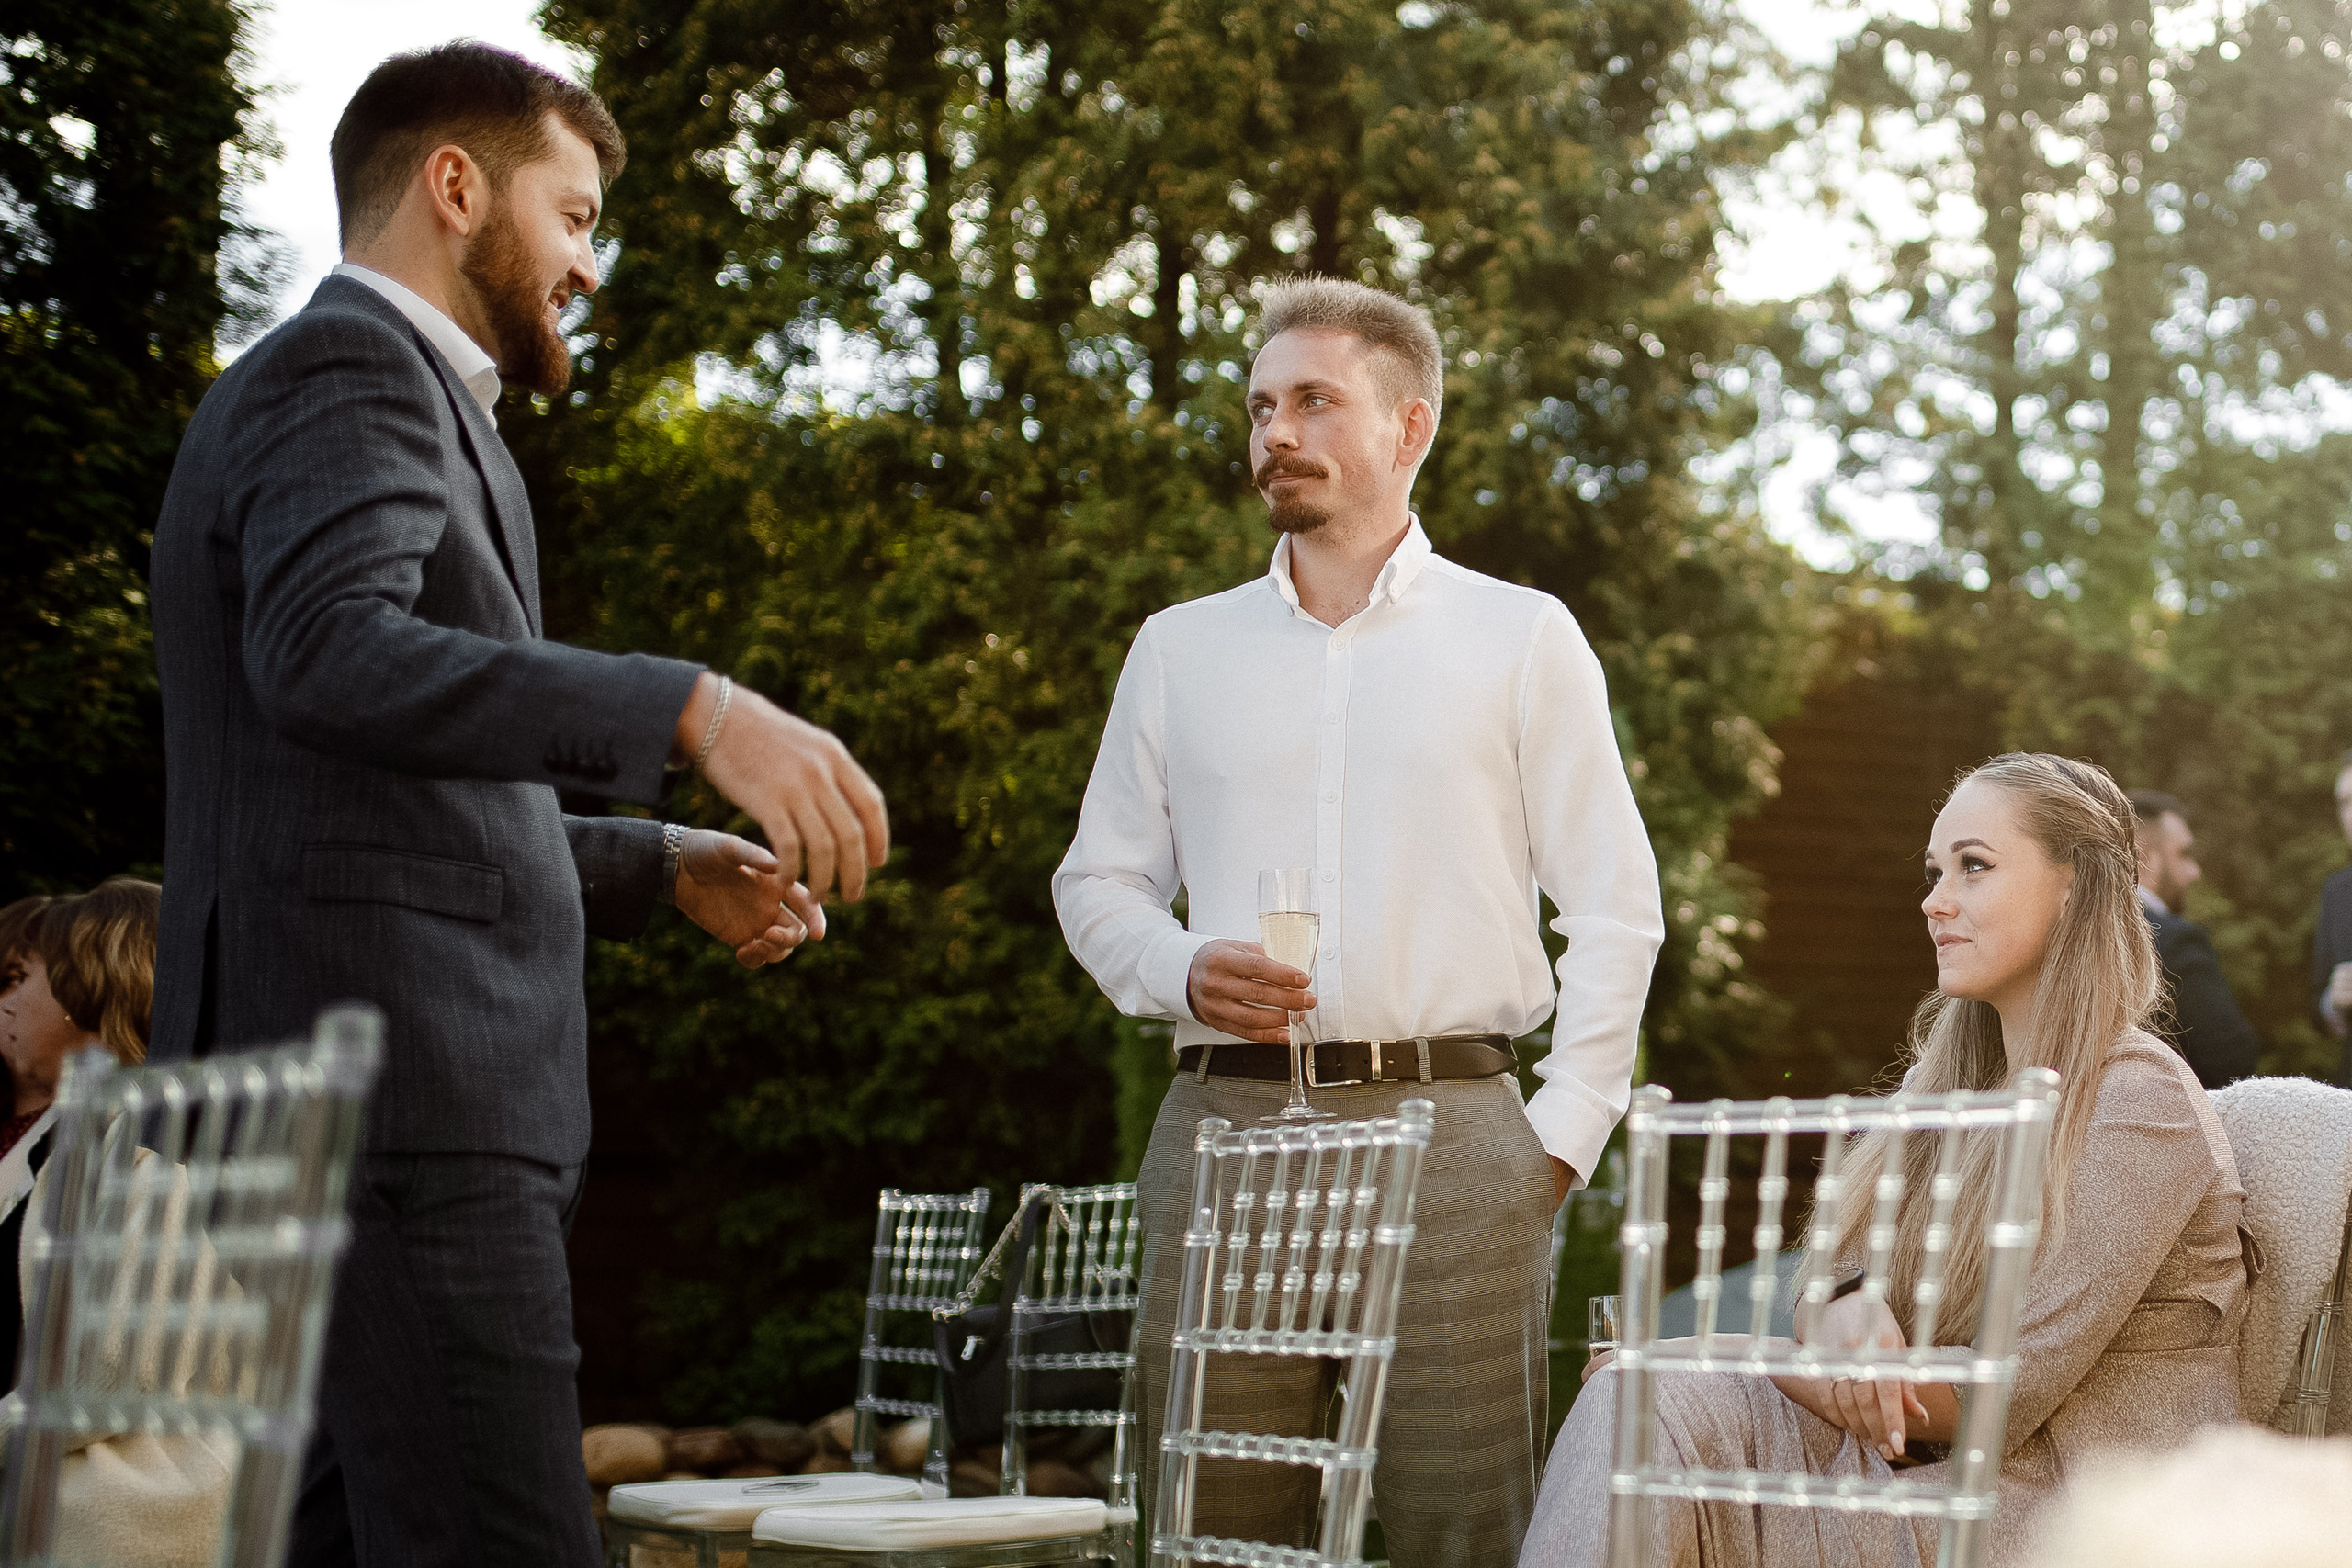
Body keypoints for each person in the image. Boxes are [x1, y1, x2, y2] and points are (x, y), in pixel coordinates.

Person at [145, 42, 891, 1568]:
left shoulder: (352, 387)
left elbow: (376, 796)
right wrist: (693, 709)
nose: (588, 266)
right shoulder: (358, 368)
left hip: (326, 1099)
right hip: (397, 1104)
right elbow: (327, 653)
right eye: (576, 214)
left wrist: (652, 861)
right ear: (456, 185)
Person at [1054, 276, 1663, 1562]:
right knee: (1211, 1539)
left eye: (1314, 401)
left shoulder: (1522, 637)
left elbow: (1616, 904)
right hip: (1223, 1134)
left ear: (1409, 426)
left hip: (1459, 1140)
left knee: (1465, 1534)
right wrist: (1179, 964)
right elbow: (1095, 882)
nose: (1276, 431)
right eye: (1261, 406)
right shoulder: (1178, 649)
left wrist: (1554, 1140)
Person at [1521, 754, 2253, 1568]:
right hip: (1929, 1470)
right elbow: (1832, 1266)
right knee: (1634, 1395)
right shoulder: (1945, 1086)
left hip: (2076, 1506)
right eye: (1936, 871)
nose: (1934, 900)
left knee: (1655, 1382)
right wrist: (1843, 1301)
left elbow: (1988, 1400)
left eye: (1974, 866)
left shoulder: (2140, 1100)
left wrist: (1724, 1348)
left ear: (2074, 886)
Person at [2129, 789, 2261, 1087]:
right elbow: (2230, 1059)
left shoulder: (2061, 935)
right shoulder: (2174, 941)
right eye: (2183, 854)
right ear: (2143, 855)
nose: (2195, 872)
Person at [2310, 750, 2352, 1086]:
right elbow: (2314, 1002)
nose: (2350, 814)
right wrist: (2332, 1002)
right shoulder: (2337, 892)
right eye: (2344, 803)